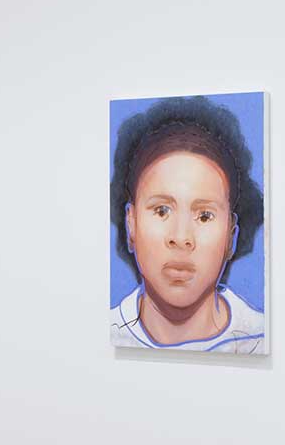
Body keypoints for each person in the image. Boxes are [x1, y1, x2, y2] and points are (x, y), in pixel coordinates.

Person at [108, 96, 268, 353]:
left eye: (204, 216)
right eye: (162, 211)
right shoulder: (106, 333)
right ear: (131, 224)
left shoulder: (257, 340)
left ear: (231, 236)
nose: (181, 237)